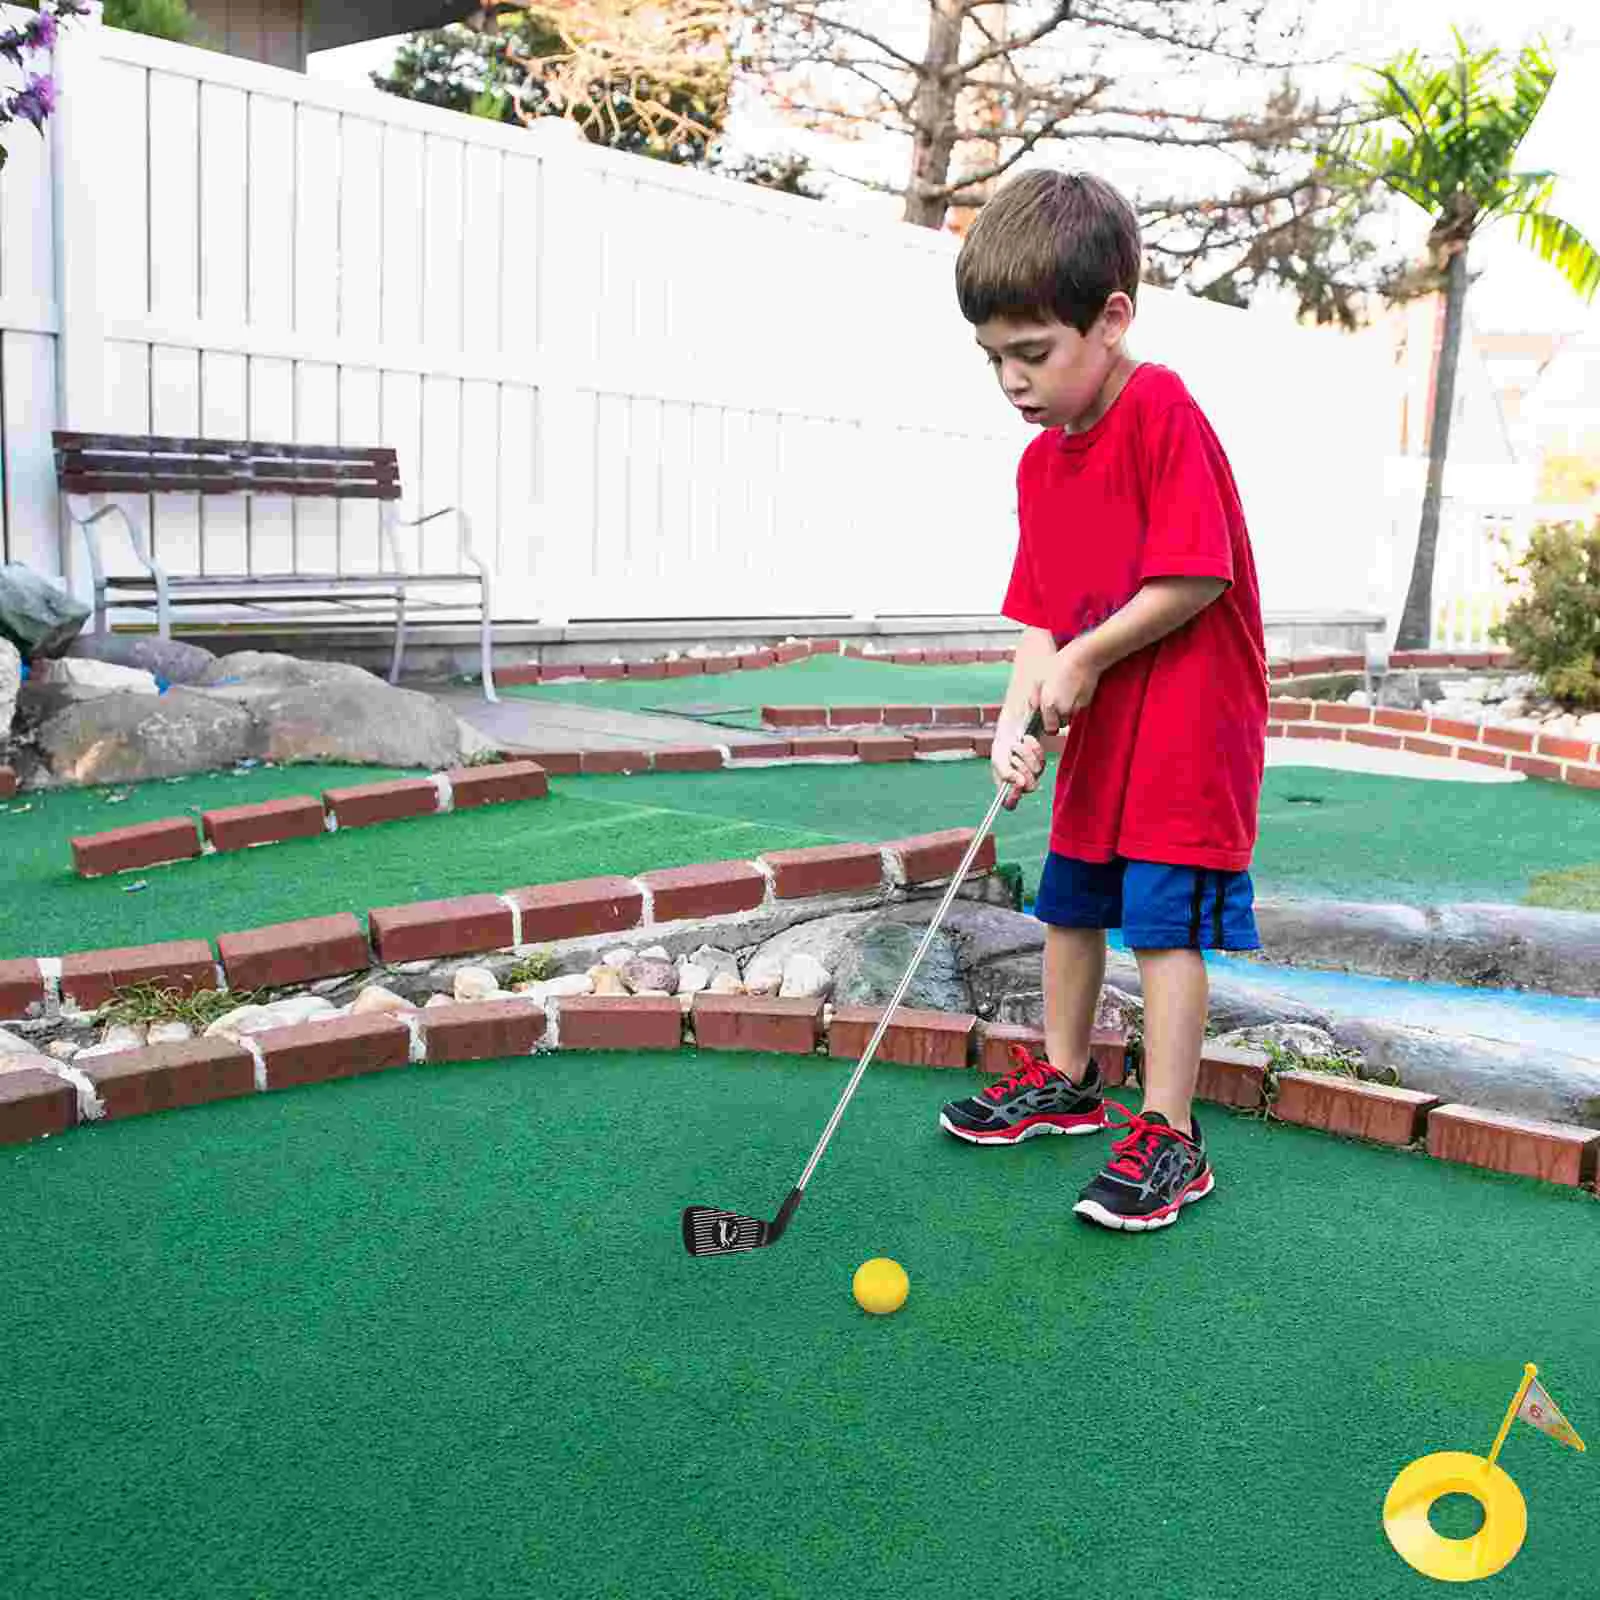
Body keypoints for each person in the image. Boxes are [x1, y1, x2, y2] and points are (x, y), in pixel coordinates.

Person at [936, 169, 1268, 1233]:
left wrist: (1083, 657)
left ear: (1111, 318)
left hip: (1186, 720)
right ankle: (1068, 1078)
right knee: (1070, 901)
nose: (1012, 382)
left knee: (1164, 923)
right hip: (1103, 726)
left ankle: (1170, 1131)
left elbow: (1196, 575)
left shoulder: (1161, 410)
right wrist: (1012, 717)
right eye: (994, 358)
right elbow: (1039, 617)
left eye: (1033, 354)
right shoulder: (1042, 466)